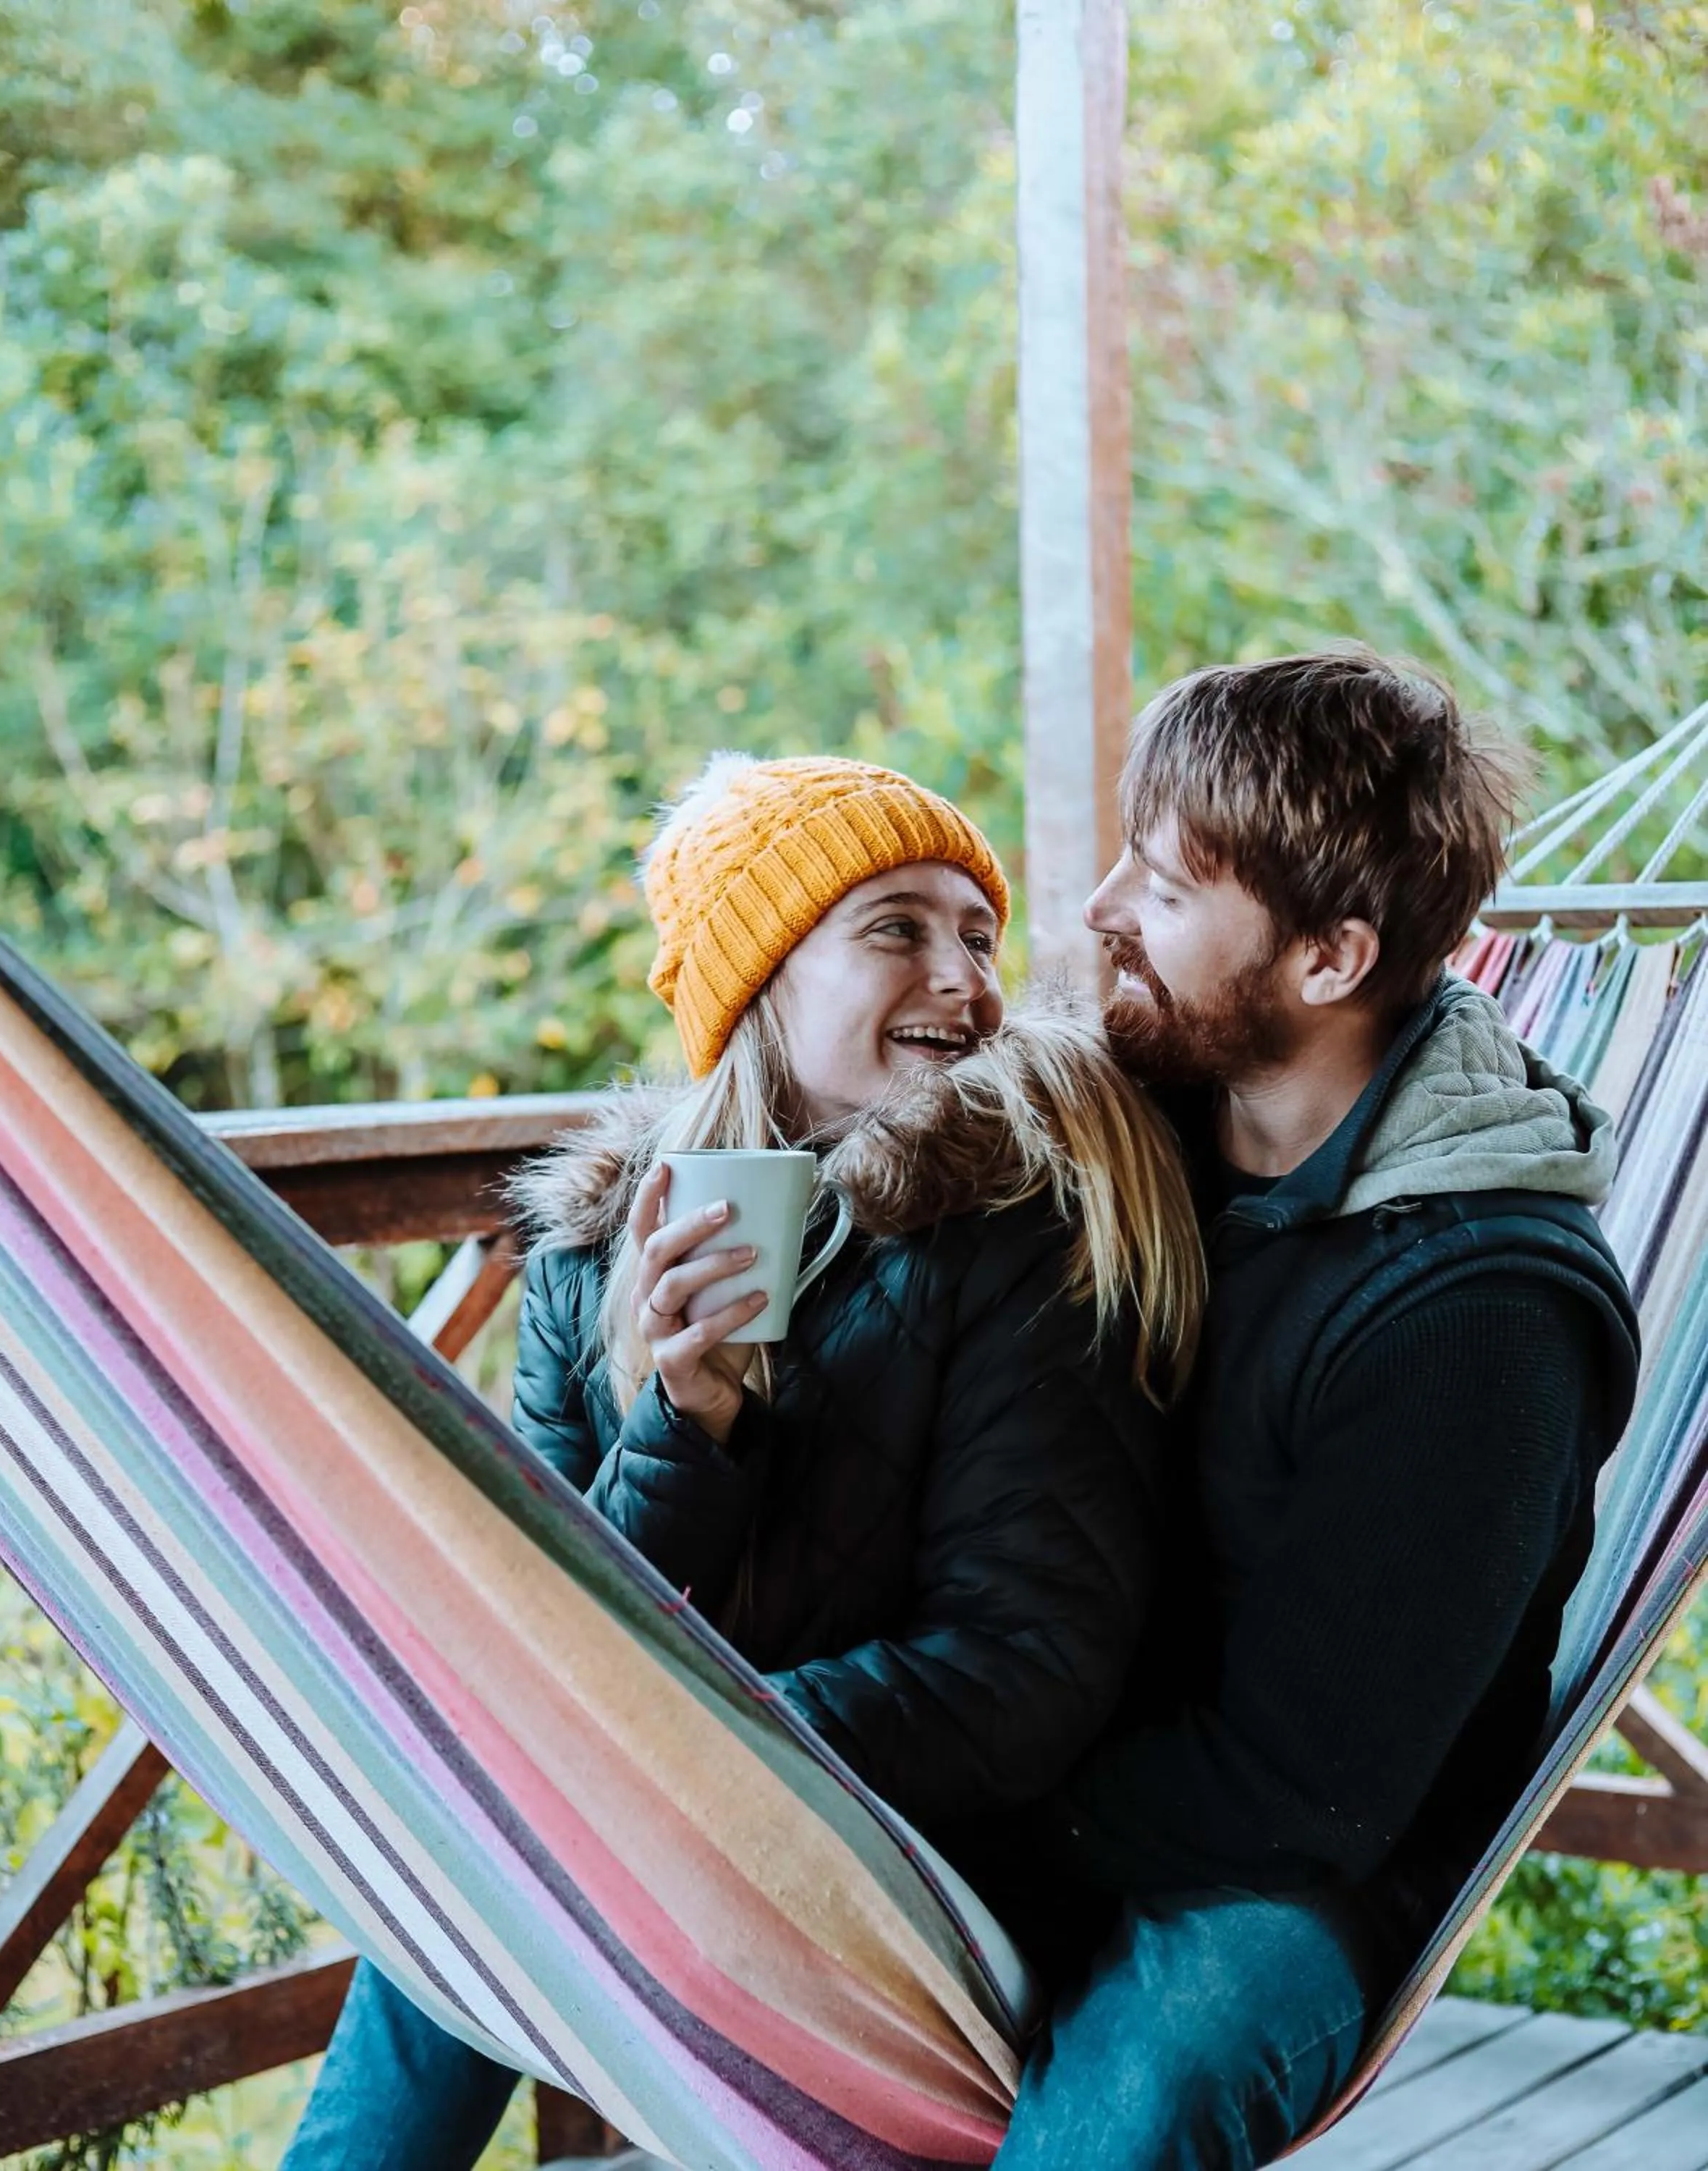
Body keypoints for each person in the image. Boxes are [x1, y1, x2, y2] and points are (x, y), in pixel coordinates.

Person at [282, 751, 1205, 2171]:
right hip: (656, 1844)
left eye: (977, 936)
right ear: (759, 978)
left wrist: (697, 1763)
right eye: (895, 929)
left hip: (921, 1880)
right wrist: (683, 1425)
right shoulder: (594, 1255)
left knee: (503, 1834)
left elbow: (1026, 1667)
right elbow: (556, 1632)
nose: (963, 981)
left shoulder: (1018, 1231)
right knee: (466, 1858)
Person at [987, 649, 1641, 2170]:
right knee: (539, 1847)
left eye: (1161, 889)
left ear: (1329, 961)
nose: (1096, 912)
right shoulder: (1139, 1125)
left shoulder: (1476, 1313)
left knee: (1166, 2056)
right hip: (1052, 1739)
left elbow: (1301, 1794)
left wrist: (967, 1798)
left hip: (1295, 1865)